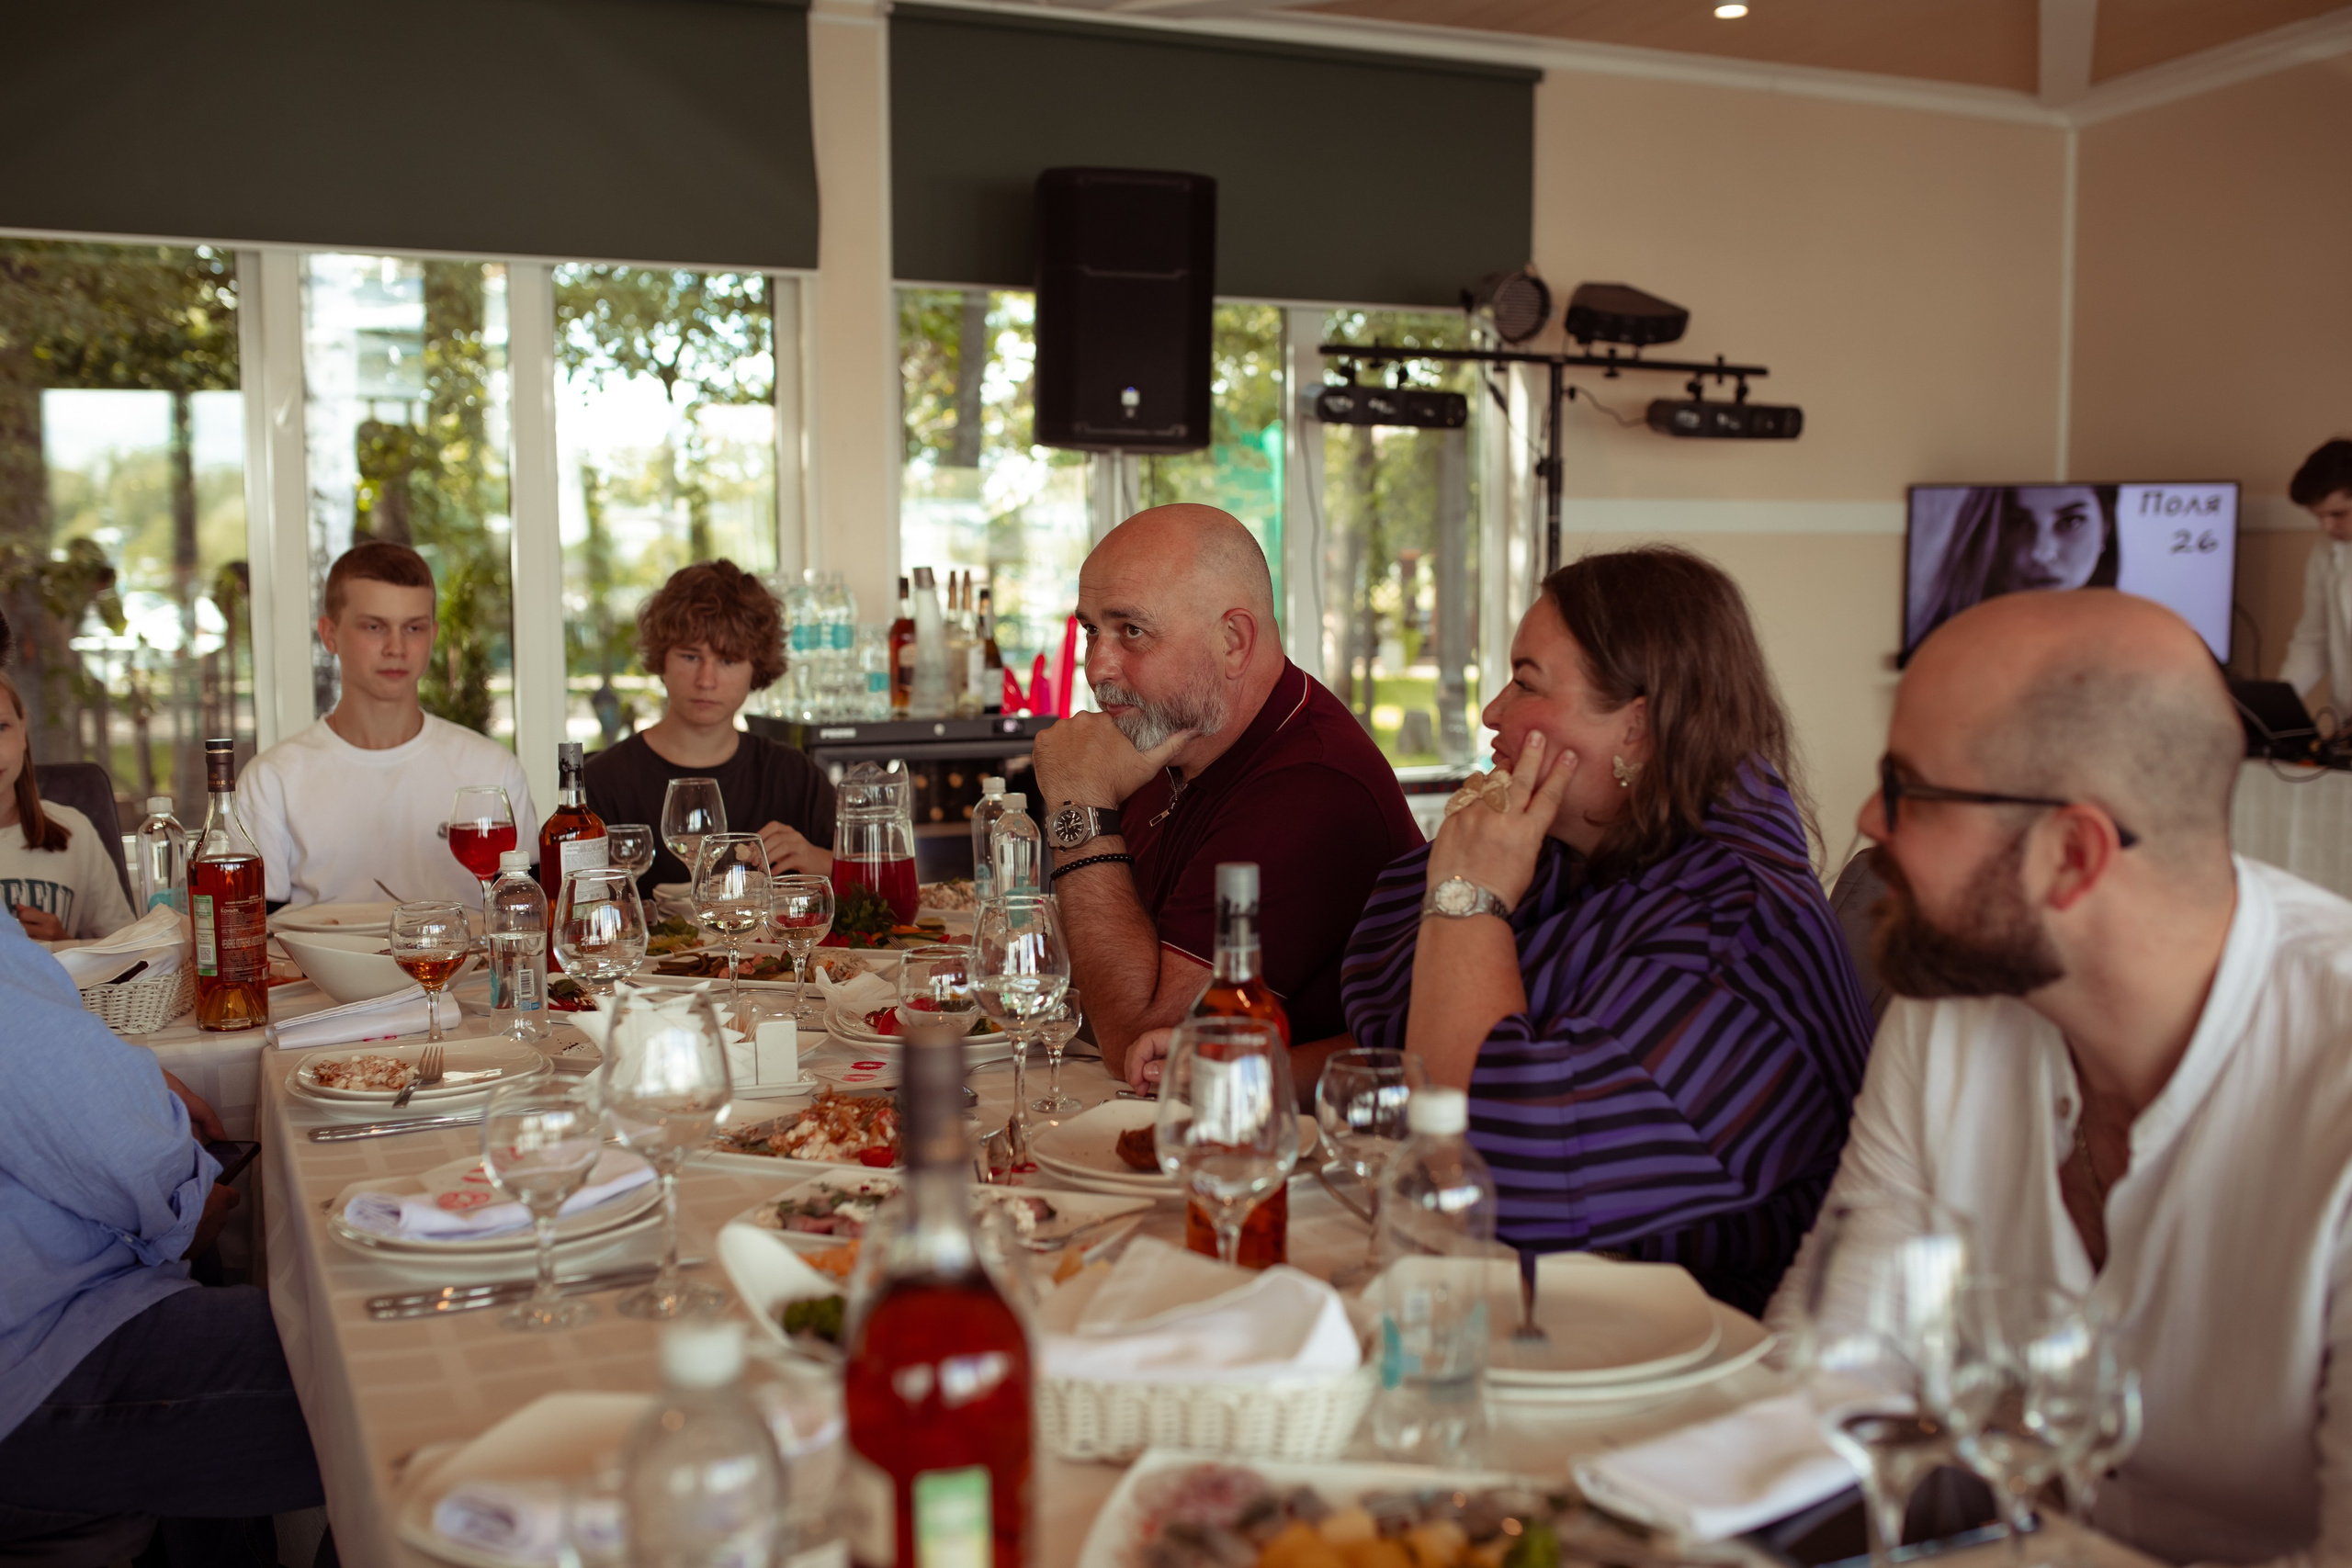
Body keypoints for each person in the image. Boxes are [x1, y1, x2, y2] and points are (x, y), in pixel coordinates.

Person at [1769, 587, 2352, 1561]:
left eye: (1906, 786)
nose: (1871, 820)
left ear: (2071, 853)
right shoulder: (1951, 999)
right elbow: (1832, 1365)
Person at [1338, 547, 1871, 1314]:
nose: (1493, 713)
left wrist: (1468, 897)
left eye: (1526, 684)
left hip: (1690, 1366)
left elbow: (1474, 1167)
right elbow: (1386, 1018)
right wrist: (1463, 879)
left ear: (1638, 727)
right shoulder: (1587, 857)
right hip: (1542, 1313)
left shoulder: (1736, 928)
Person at [0, 608, 322, 1562]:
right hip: (39, 1366)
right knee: (402, 1376)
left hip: (58, 1319)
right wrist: (185, 1174)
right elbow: (122, 1147)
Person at [1030, 503, 1421, 1082]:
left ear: (1234, 640)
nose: (1096, 668)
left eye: (1131, 631)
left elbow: (1140, 1047)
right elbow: (1086, 960)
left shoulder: (1310, 785)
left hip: (1271, 1148)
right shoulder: (1173, 734)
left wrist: (1078, 808)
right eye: (1092, 630)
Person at [237, 541, 536, 910]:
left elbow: (527, 917)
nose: (396, 647)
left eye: (413, 628)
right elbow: (253, 935)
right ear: (330, 634)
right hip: (310, 970)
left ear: (433, 635)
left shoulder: (493, 769)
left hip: (465, 969)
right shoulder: (272, 779)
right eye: (374, 626)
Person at [583, 558, 835, 893]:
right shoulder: (602, 782)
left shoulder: (793, 775)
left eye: (728, 660)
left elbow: (877, 888)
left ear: (756, 668)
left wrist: (819, 860)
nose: (706, 680)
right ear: (662, 660)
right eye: (690, 656)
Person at [0, 670, 134, 939]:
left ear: (23, 728)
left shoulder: (73, 832)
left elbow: (126, 956)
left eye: (0, 727)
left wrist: (63, 945)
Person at [1909, 484, 2120, 653]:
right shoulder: (1941, 653)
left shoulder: (2133, 643)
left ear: (2106, 526)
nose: (2041, 551)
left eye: (2072, 521)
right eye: (2016, 522)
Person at [2277, 436, 2352, 725]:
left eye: (2338, 514)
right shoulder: (2325, 553)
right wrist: (2279, 701)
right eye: (2318, 517)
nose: (2327, 527)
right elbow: (2312, 641)